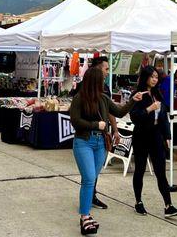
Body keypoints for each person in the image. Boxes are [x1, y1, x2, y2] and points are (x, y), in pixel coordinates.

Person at [70, 67, 134, 234]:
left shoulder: (103, 99)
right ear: (94, 81)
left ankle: (87, 214)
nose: (104, 81)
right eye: (102, 79)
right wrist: (95, 125)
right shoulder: (79, 99)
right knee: (89, 178)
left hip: (100, 144)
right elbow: (75, 121)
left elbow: (119, 112)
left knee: (91, 178)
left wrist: (134, 99)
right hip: (84, 142)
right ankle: (84, 217)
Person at [130, 66, 177, 218]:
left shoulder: (157, 93)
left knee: (161, 172)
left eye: (156, 77)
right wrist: (149, 108)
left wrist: (167, 136)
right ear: (146, 77)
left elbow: (164, 117)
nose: (154, 79)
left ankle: (168, 205)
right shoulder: (138, 94)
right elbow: (134, 116)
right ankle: (138, 202)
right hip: (141, 136)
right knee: (140, 170)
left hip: (156, 136)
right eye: (152, 77)